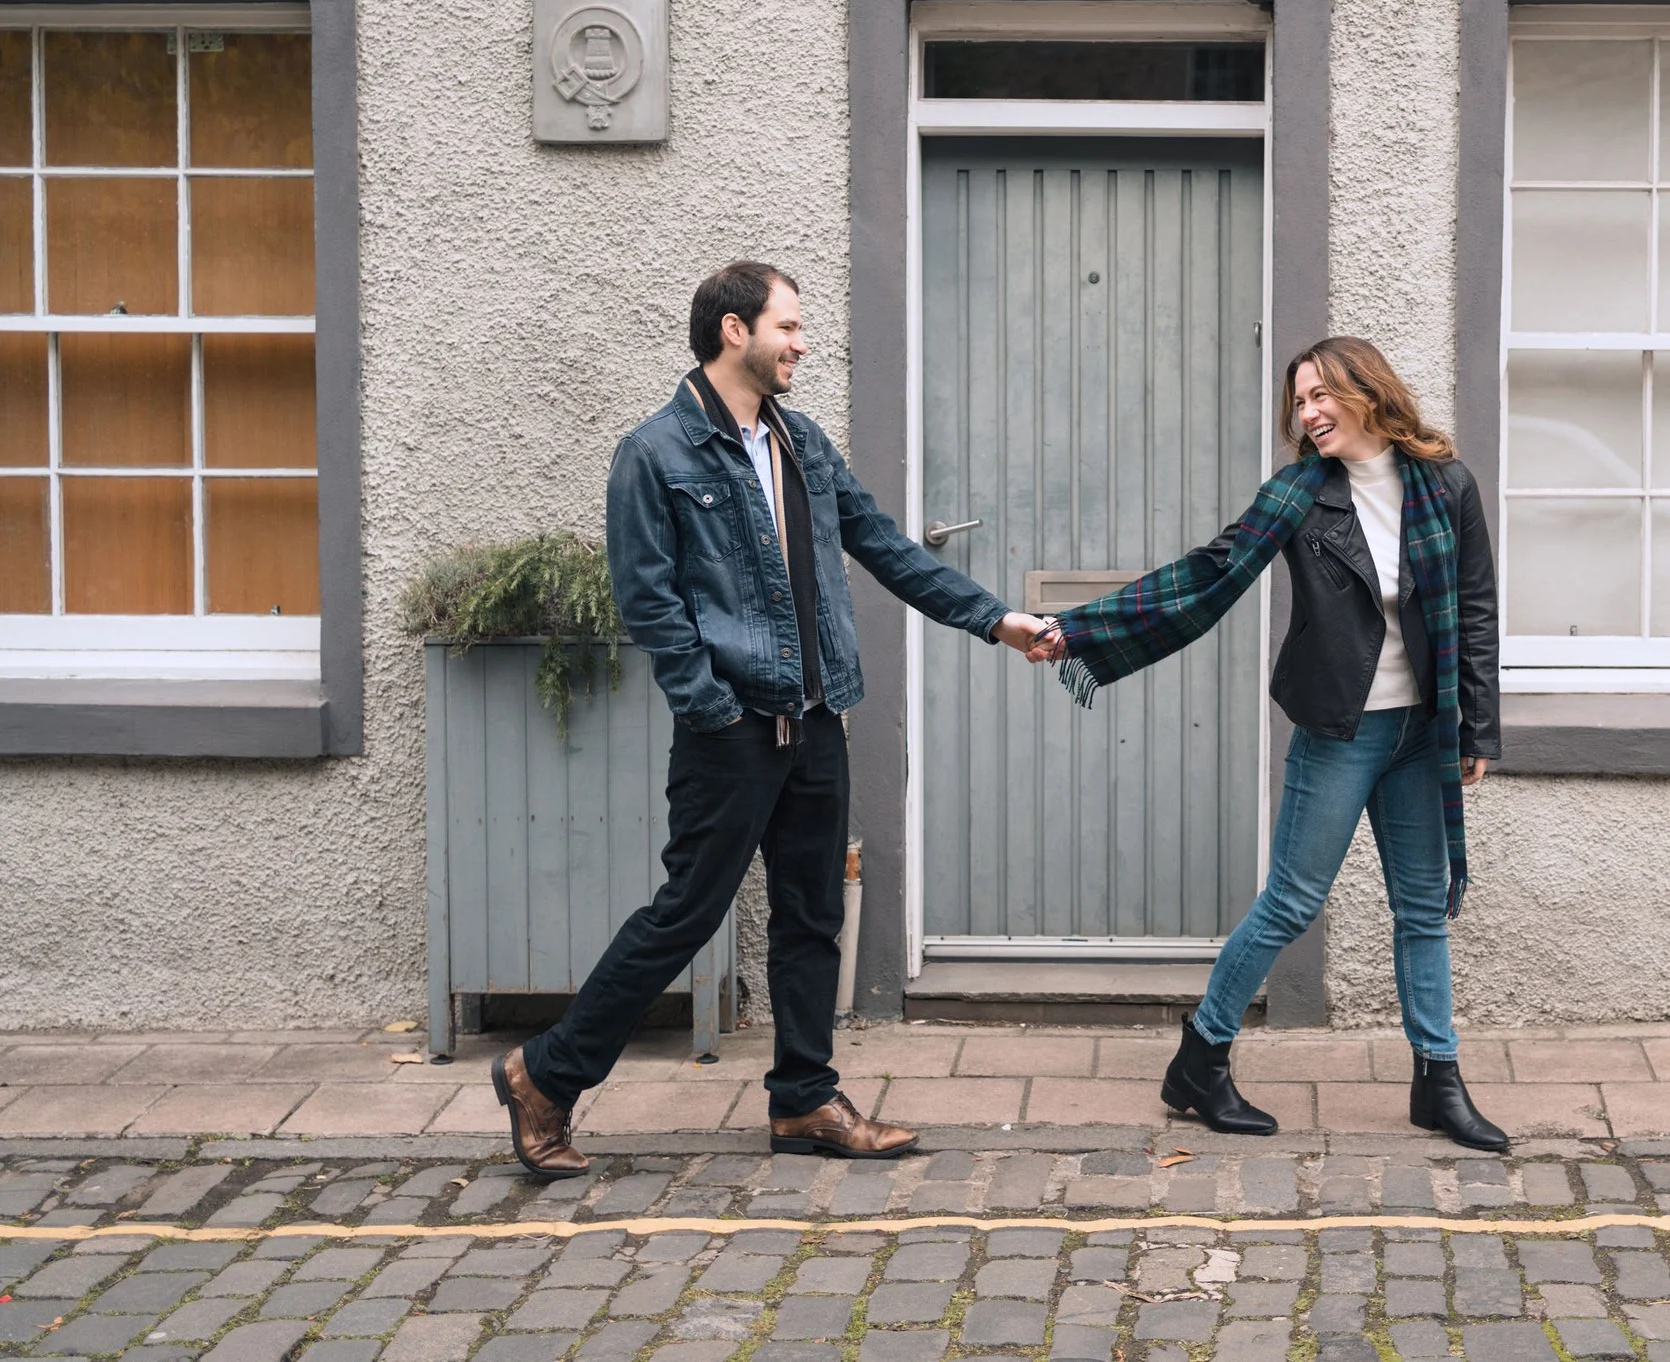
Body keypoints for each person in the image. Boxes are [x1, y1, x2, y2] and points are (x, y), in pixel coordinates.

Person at [493, 260, 1051, 1175]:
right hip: (733, 729)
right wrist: (711, 706)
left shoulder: (803, 445)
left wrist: (995, 619)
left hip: (819, 718)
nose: (802, 343)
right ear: (733, 332)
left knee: (809, 917)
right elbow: (649, 603)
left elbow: (887, 549)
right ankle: (544, 1075)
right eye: (788, 326)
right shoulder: (656, 453)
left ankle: (803, 1100)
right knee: (685, 913)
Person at [1028, 336, 1507, 1151]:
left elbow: (1476, 610)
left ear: (1367, 390)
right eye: (1299, 401)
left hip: (1422, 729)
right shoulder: (1297, 495)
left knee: (1422, 911)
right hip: (1340, 731)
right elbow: (1206, 574)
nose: (1308, 413)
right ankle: (1201, 1058)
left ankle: (1439, 1079)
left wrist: (1478, 723)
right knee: (1291, 901)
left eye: (1321, 394)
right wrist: (1075, 632)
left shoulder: (1444, 485)